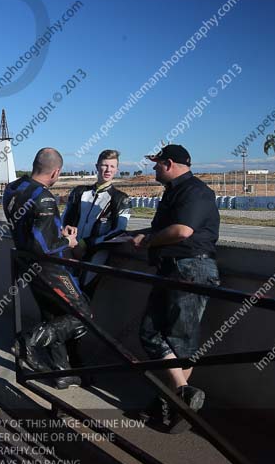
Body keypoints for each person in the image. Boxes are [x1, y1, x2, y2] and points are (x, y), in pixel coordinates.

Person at [129, 144, 220, 433]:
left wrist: (148, 241)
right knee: (151, 332)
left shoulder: (195, 191)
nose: (153, 168)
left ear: (169, 164)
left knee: (181, 340)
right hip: (174, 269)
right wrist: (138, 235)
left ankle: (171, 402)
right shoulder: (174, 192)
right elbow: (166, 230)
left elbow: (182, 231)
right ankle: (181, 392)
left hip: (191, 270)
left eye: (157, 163)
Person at [3, 147, 92, 390]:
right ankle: (28, 342)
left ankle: (62, 372)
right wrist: (68, 241)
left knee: (53, 317)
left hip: (27, 265)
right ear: (56, 172)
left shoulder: (13, 188)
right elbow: (41, 246)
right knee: (83, 315)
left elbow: (31, 229)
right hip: (50, 269)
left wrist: (57, 231)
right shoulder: (44, 197)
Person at [62, 149, 131, 295]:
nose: (108, 170)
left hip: (96, 253)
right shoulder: (79, 192)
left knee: (83, 294)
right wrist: (69, 241)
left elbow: (119, 232)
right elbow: (65, 219)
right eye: (104, 165)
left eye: (112, 166)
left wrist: (85, 243)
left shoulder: (121, 199)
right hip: (70, 248)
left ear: (117, 169)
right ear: (97, 166)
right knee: (63, 292)